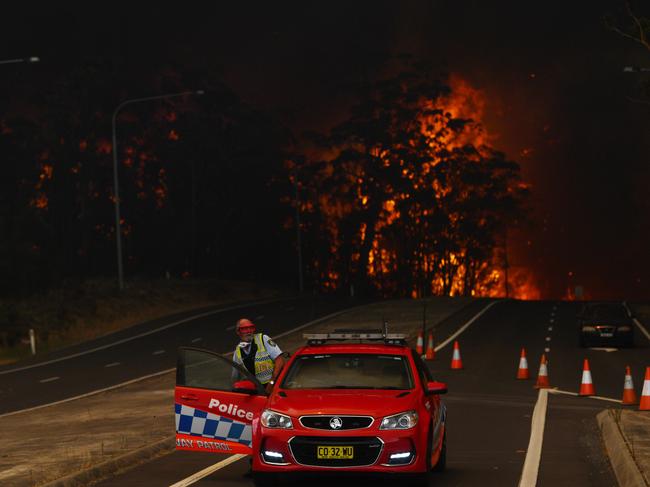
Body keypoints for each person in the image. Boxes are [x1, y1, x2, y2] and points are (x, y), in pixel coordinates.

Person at [232, 318, 285, 393]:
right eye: (244, 329)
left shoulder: (263, 339)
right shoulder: (237, 352)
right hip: (257, 391)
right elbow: (235, 378)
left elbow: (280, 360)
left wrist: (271, 383)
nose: (249, 331)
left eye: (251, 328)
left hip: (275, 385)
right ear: (238, 332)